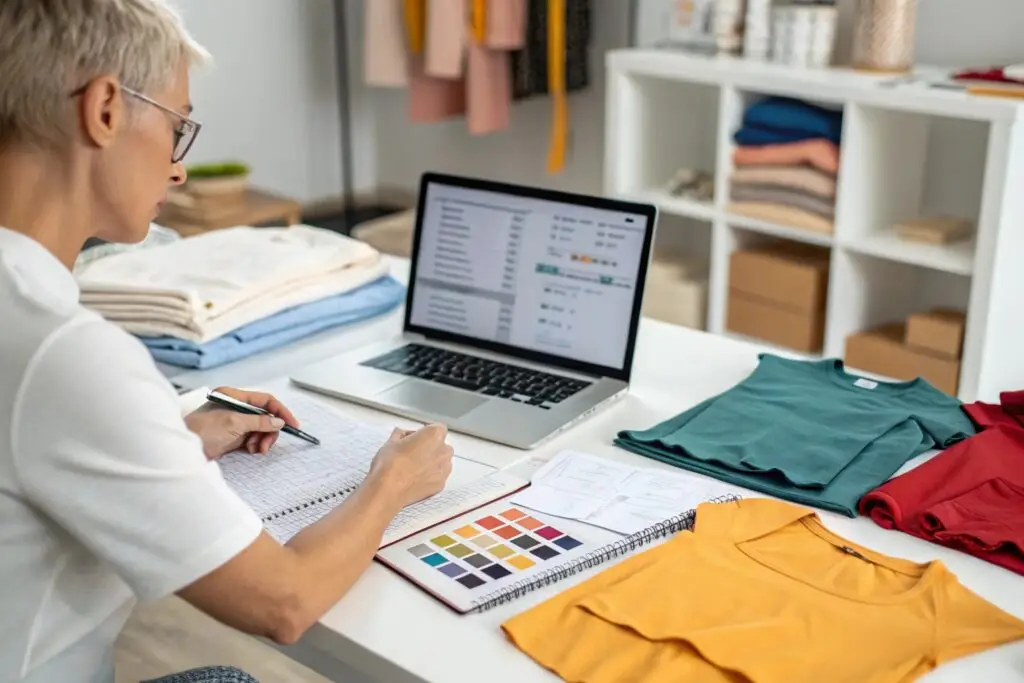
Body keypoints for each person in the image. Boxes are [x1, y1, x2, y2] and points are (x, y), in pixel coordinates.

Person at [0, 2, 455, 682]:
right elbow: (285, 601)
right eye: (177, 127)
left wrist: (167, 431)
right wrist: (393, 481)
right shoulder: (63, 351)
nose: (180, 169)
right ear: (102, 110)